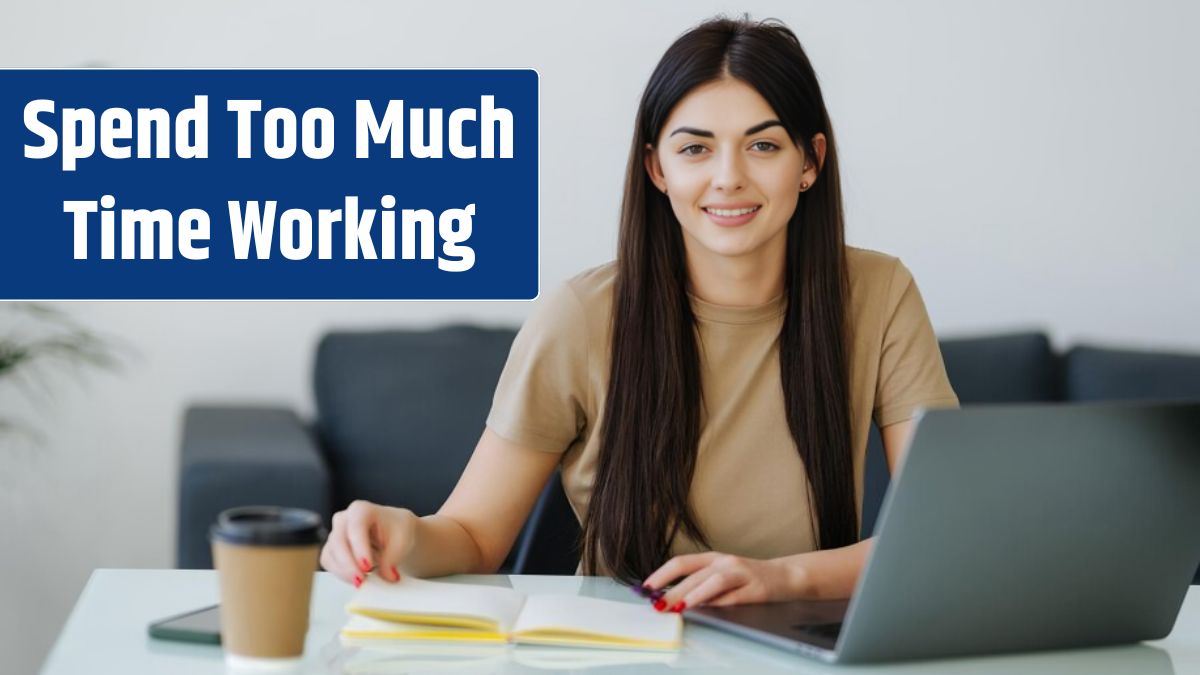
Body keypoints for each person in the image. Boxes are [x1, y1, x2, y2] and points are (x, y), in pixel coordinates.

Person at [320, 16, 958, 614]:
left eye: (762, 145)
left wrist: (783, 578)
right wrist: (400, 534)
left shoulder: (878, 294)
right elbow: (472, 534)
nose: (728, 178)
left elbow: (944, 533)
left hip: (803, 642)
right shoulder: (581, 316)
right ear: (657, 167)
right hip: (624, 647)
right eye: (696, 150)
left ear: (810, 162)